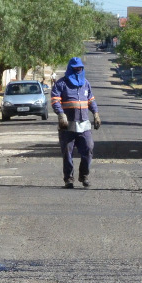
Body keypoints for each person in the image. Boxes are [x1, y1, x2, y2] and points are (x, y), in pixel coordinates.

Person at [51, 57, 100, 188]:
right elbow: (55, 100)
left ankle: (84, 175)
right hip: (67, 126)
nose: (78, 70)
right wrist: (61, 114)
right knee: (67, 152)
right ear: (70, 69)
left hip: (84, 125)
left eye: (80, 68)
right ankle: (69, 179)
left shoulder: (86, 83)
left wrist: (95, 114)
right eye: (76, 68)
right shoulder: (61, 84)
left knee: (88, 148)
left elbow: (91, 100)